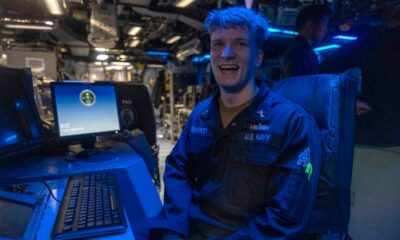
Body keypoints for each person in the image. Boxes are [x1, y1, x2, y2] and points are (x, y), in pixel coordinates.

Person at [134, 6, 322, 239]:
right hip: (191, 229)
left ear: (258, 57)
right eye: (218, 44)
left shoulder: (293, 123)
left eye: (240, 44)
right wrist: (175, 226)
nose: (226, 53)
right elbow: (178, 168)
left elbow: (286, 217)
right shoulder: (201, 114)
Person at [319, 4, 400, 146]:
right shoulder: (376, 39)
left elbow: (324, 69)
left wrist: (348, 101)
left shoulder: (376, 40)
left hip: (378, 130)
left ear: (393, 18)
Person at [282, 5, 331, 78]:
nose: (326, 30)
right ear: (310, 25)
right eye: (324, 25)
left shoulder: (305, 51)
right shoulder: (298, 52)